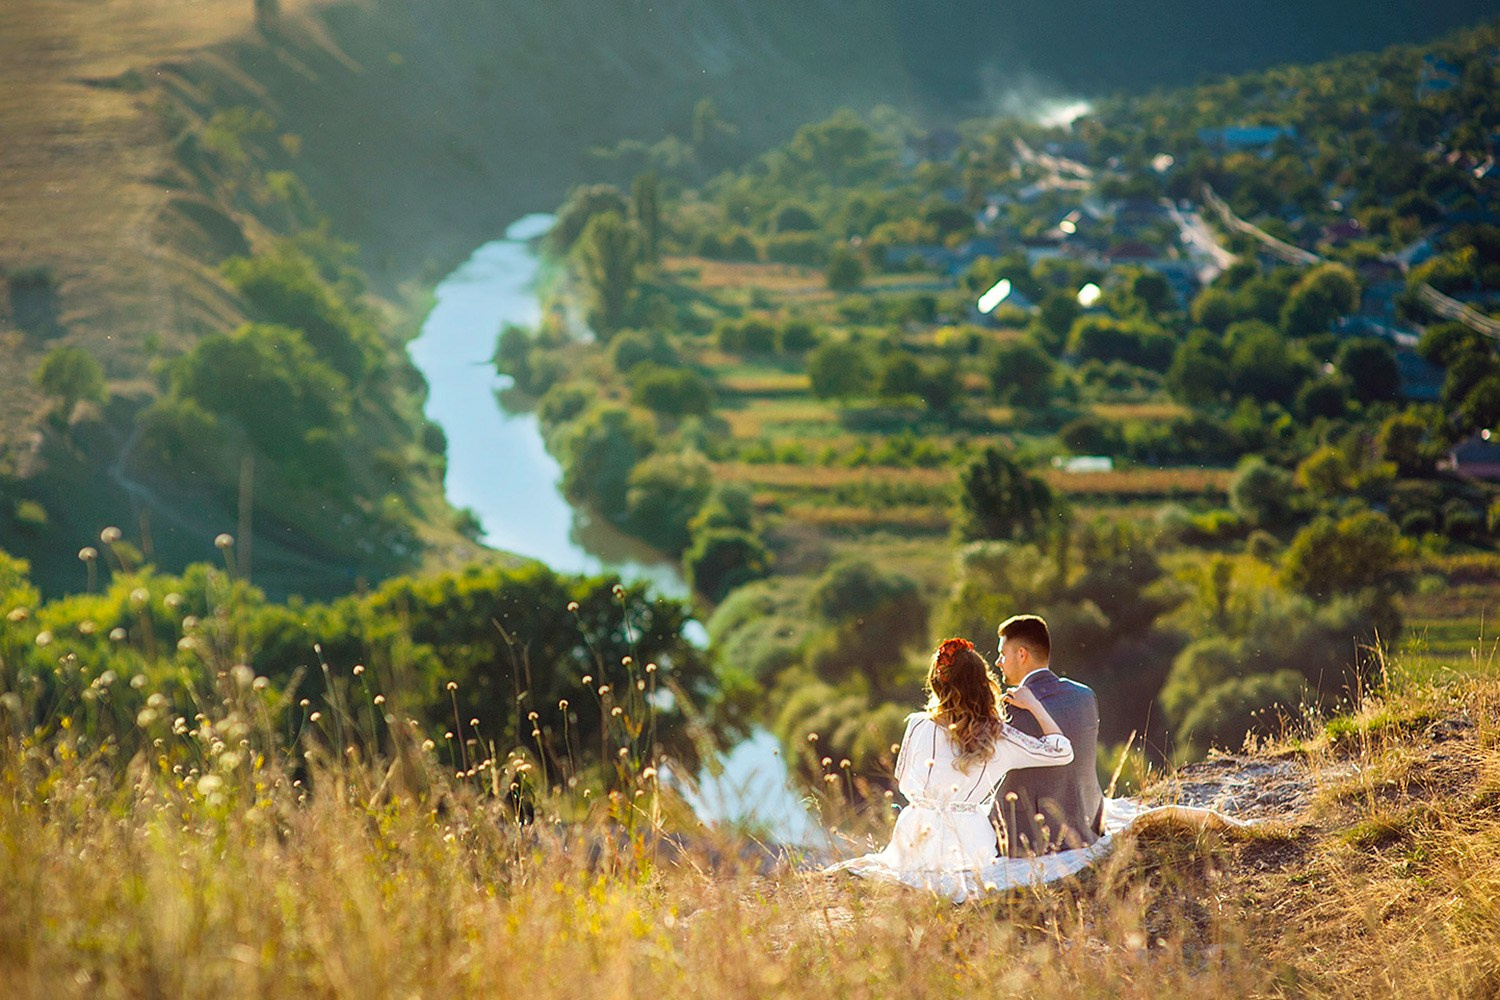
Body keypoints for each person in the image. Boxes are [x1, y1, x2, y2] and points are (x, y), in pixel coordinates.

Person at [826, 637, 1074, 897]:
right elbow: (1062, 752)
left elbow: (902, 780)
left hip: (913, 838)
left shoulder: (918, 725)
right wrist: (1033, 705)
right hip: (969, 843)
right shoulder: (999, 736)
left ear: (937, 683)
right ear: (983, 684)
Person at [991, 614, 1105, 857]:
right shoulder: (1085, 696)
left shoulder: (1010, 707)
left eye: (1002, 654)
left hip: (1033, 835)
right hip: (1088, 824)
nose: (998, 662)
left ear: (1022, 655)